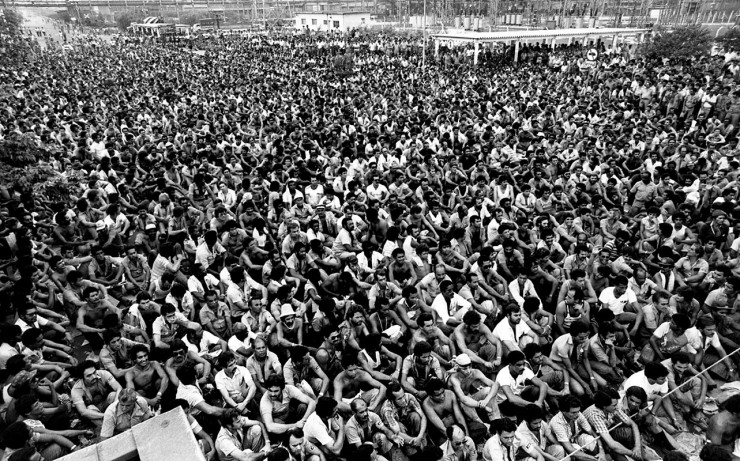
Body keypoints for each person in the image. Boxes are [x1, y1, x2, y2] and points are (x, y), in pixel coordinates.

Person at [70, 360, 122, 427]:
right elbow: (83, 412)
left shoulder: (103, 373)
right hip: (94, 412)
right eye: (89, 376)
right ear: (82, 377)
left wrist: (115, 407)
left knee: (113, 395)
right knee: (90, 409)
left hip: (107, 404)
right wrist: (106, 415)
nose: (94, 376)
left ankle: (120, 421)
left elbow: (119, 388)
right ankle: (109, 428)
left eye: (94, 372)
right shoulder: (76, 390)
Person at [549, 395, 601, 461]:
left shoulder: (578, 414)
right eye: (573, 412)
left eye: (578, 411)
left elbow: (592, 433)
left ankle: (598, 456)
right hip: (562, 445)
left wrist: (601, 450)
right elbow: (570, 449)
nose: (577, 415)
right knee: (576, 449)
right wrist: (594, 459)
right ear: (564, 411)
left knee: (591, 440)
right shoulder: (556, 422)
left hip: (574, 438)